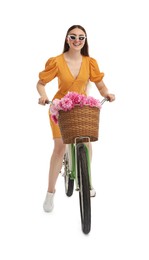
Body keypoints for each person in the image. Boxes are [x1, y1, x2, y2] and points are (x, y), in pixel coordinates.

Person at [36, 25, 115, 213]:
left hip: (81, 109)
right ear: (67, 39)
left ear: (85, 40)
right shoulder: (56, 61)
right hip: (61, 109)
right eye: (73, 37)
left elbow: (100, 85)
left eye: (81, 37)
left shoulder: (90, 62)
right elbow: (41, 83)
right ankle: (50, 192)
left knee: (87, 143)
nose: (77, 40)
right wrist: (43, 96)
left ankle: (87, 181)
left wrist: (107, 93)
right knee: (59, 146)